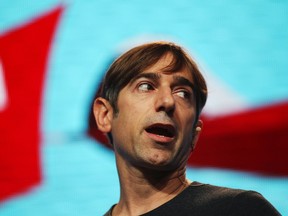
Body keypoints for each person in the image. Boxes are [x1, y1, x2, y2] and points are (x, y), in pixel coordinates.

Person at [93, 41, 280, 216]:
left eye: (183, 93)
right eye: (146, 86)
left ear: (194, 134)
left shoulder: (240, 210)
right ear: (104, 115)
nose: (167, 101)